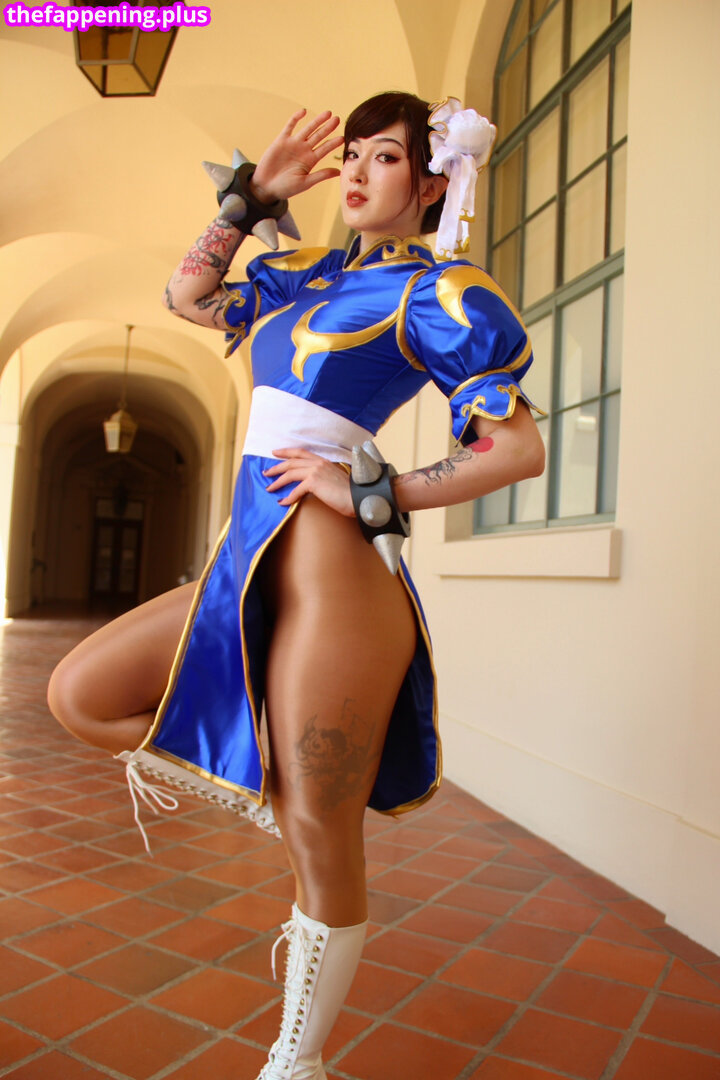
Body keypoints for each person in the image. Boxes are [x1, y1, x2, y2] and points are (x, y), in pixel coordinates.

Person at [48, 91, 545, 1080]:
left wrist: (368, 487)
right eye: (351, 153)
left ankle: (297, 1060)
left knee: (324, 835)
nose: (356, 171)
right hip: (243, 563)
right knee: (79, 694)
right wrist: (245, 203)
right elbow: (186, 297)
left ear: (433, 183)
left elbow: (516, 448)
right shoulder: (301, 276)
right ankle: (272, 792)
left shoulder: (438, 293)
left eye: (386, 157)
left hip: (336, 580)